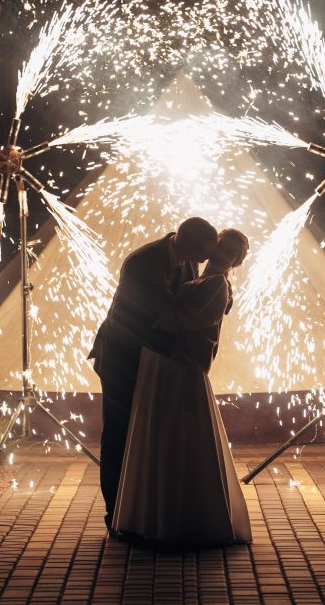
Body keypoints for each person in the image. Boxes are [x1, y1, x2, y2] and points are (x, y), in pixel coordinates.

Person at [112, 228, 252, 548]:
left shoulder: (216, 284)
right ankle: (162, 513)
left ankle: (177, 515)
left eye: (228, 253)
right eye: (219, 247)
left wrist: (161, 296)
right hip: (167, 364)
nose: (218, 255)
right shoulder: (195, 275)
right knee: (166, 436)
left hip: (180, 367)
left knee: (178, 438)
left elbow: (178, 320)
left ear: (236, 261)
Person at [89, 216, 219, 534]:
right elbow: (135, 319)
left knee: (147, 436)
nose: (208, 259)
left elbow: (178, 310)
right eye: (205, 251)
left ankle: (138, 509)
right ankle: (114, 514)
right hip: (122, 356)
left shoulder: (186, 263)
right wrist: (173, 350)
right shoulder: (142, 262)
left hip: (152, 360)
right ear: (188, 242)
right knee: (119, 434)